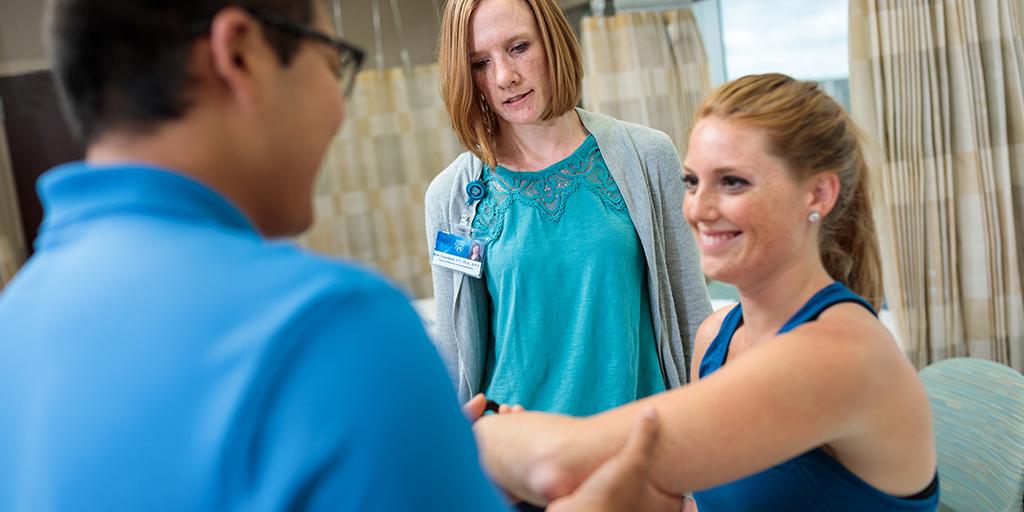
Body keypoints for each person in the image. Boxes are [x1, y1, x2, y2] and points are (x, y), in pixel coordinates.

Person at [0, 1, 502, 510]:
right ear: (240, 55)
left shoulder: (14, 322)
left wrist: (424, 452)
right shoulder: (330, 326)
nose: (338, 109)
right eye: (334, 66)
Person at [469, 74, 940, 511]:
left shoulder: (842, 354)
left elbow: (559, 463)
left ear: (817, 195)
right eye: (692, 181)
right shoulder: (717, 338)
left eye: (732, 182)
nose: (698, 209)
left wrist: (482, 433)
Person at [425, 0, 711, 418]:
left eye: (519, 47)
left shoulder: (647, 157)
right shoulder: (451, 196)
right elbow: (456, 358)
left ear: (553, 42)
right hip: (522, 460)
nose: (505, 76)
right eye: (480, 63)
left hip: (639, 446)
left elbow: (692, 316)